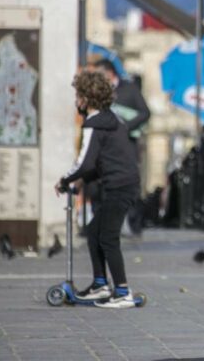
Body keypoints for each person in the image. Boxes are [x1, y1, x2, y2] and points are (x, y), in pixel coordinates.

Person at [56, 70, 141, 308]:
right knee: (94, 231)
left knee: (108, 237)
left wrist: (65, 180)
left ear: (85, 99)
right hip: (125, 183)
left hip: (119, 186)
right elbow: (103, 160)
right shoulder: (112, 120)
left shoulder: (93, 124)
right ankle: (100, 284)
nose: (76, 101)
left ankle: (122, 291)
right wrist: (80, 181)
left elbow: (85, 162)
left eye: (78, 96)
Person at [92, 58, 151, 235]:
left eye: (100, 75)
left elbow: (145, 113)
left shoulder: (129, 89)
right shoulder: (98, 92)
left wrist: (126, 126)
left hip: (127, 145)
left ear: (110, 73)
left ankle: (131, 223)